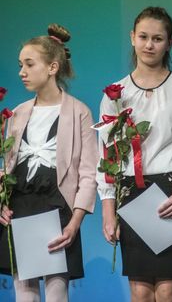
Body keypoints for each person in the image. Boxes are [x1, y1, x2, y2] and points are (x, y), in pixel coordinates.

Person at [96, 7, 172, 302]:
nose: (149, 45)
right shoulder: (115, 94)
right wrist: (108, 211)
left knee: (168, 289)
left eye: (157, 38)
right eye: (143, 37)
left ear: (170, 43)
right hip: (130, 193)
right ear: (132, 37)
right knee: (140, 290)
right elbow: (106, 158)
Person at [0, 24, 98, 301]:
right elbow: (8, 166)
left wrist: (75, 221)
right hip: (20, 205)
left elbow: (88, 173)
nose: (22, 72)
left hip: (57, 207)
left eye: (30, 64)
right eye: (20, 65)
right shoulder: (17, 114)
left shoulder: (79, 112)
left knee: (56, 292)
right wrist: (2, 201)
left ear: (53, 67)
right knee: (25, 293)